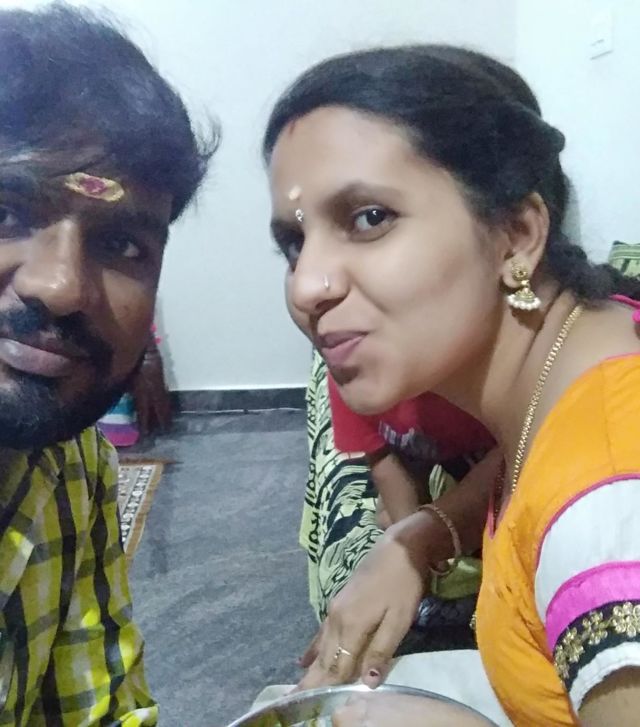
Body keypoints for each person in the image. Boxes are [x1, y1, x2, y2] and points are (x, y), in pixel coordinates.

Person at [263, 44, 640, 726]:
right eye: (294, 243)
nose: (306, 286)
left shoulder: (607, 502)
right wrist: (421, 536)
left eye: (369, 217)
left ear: (516, 236)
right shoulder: (572, 366)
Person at [0, 4, 212, 724]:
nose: (61, 286)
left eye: (122, 245)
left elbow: (100, 709)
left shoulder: (74, 466)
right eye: (7, 211)